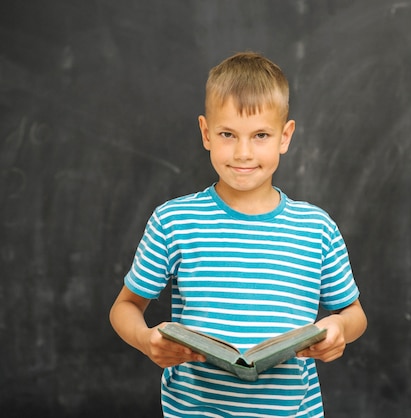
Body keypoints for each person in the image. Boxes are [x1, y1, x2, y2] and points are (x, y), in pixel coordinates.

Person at [109, 51, 367, 418]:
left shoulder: (317, 228)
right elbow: (125, 307)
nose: (243, 153)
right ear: (206, 133)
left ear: (285, 136)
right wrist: (145, 339)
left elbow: (354, 313)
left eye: (260, 135)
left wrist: (340, 327)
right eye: (228, 134)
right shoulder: (174, 221)